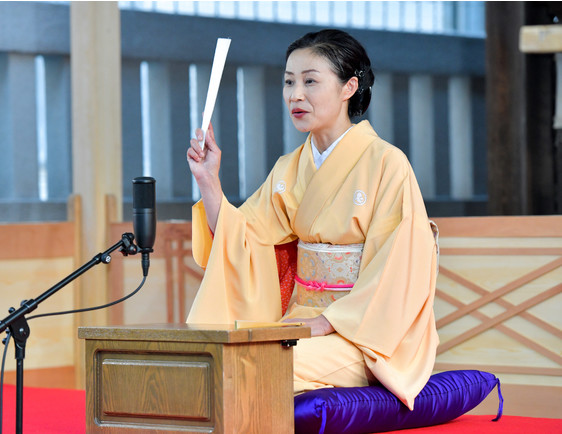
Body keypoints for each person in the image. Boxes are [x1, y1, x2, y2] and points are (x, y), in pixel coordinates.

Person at [185, 29, 439, 410]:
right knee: (226, 360)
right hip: (299, 321)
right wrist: (208, 180)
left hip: (363, 334)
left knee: (262, 367)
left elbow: (399, 266)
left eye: (310, 81)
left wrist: (330, 321)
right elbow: (241, 241)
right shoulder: (289, 169)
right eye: (289, 82)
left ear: (348, 87)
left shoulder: (387, 164)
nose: (295, 95)